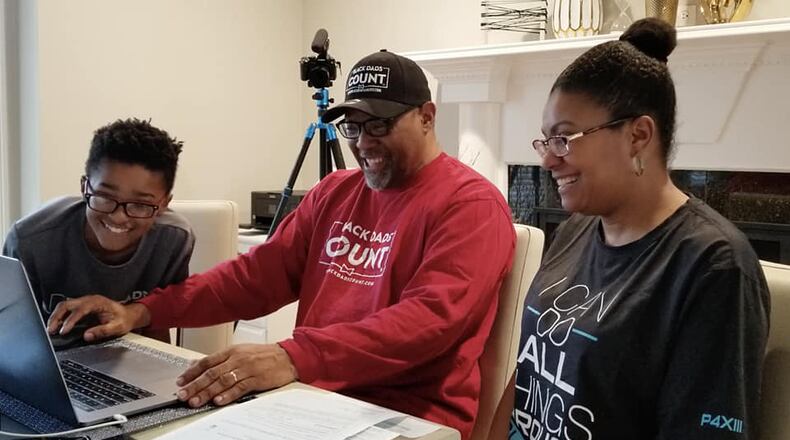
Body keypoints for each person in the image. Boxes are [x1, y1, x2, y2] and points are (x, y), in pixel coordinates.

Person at [48, 50, 516, 439]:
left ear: (427, 117)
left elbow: (429, 321)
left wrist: (293, 355)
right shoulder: (334, 192)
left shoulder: (470, 205)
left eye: (379, 125)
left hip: (406, 418)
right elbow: (254, 277)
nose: (362, 142)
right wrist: (143, 312)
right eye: (352, 127)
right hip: (310, 401)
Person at [491, 17, 770, 439]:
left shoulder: (715, 267)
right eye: (546, 141)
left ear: (638, 135)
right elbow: (528, 377)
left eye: (564, 138)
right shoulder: (576, 230)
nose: (547, 159)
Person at [2, 118, 193, 343]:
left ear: (164, 203)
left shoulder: (174, 240)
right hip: (52, 355)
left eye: (140, 204)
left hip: (130, 353)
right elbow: (10, 335)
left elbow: (159, 323)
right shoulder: (31, 239)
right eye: (104, 197)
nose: (119, 216)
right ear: (84, 187)